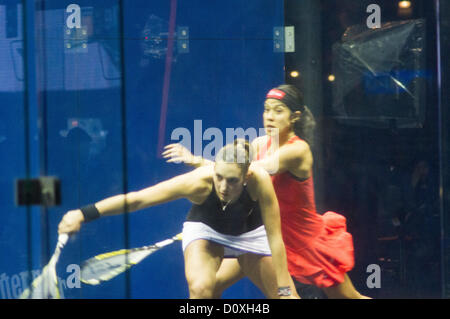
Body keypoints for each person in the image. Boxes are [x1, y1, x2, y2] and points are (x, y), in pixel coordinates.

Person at [163, 84, 370, 299]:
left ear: (294, 117)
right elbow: (235, 173)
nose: (269, 116)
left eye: (278, 111)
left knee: (348, 298)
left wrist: (198, 160)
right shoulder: (259, 143)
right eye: (266, 109)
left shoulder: (297, 150)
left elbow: (252, 171)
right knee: (210, 287)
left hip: (303, 241)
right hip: (264, 238)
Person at [58, 140, 298, 299]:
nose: (223, 187)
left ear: (247, 175)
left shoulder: (260, 181)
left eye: (232, 181)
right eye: (219, 177)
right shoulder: (198, 182)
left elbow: (275, 238)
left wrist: (285, 288)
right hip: (206, 230)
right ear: (213, 169)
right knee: (202, 288)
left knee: (286, 296)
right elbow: (137, 200)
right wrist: (82, 213)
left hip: (250, 235)